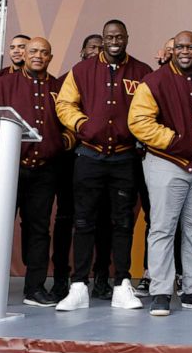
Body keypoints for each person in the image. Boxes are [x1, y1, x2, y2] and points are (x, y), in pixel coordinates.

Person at [54, 19, 152, 312]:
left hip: (124, 157)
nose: (114, 41)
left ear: (127, 38)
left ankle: (122, 284)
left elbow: (152, 107)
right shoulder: (82, 70)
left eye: (119, 36)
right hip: (89, 156)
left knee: (122, 222)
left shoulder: (141, 71)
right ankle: (79, 285)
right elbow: (64, 105)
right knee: (83, 221)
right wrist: (82, 124)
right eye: (109, 36)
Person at [0, 37, 72, 307]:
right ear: (23, 56)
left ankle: (35, 289)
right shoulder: (1, 84)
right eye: (33, 51)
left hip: (46, 170)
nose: (38, 56)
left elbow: (71, 123)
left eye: (43, 52)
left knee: (39, 229)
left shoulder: (59, 87)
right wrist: (1, 138)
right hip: (9, 168)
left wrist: (65, 141)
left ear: (51, 57)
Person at [128, 31, 192, 316]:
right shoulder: (154, 81)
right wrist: (175, 141)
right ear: (171, 49)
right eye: (179, 46)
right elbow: (138, 121)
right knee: (163, 229)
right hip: (166, 162)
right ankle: (160, 292)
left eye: (190, 47)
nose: (184, 51)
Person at [51, 33, 105, 300]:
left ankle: (102, 276)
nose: (96, 51)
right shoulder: (64, 80)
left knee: (103, 219)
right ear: (82, 51)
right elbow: (54, 119)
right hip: (69, 159)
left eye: (100, 47)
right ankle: (63, 277)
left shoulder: (112, 80)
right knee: (67, 219)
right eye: (91, 47)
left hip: (100, 159)